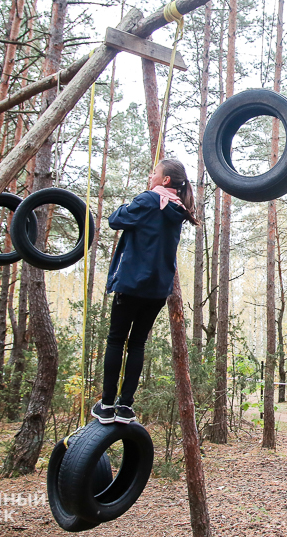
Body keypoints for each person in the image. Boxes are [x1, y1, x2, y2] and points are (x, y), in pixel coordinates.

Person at [91, 159, 199, 424]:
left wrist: (137, 199)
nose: (150, 174)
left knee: (116, 340)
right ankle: (125, 406)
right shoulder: (178, 207)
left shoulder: (149, 200)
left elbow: (115, 220)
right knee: (137, 343)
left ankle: (106, 405)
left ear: (164, 181)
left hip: (131, 283)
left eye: (155, 172)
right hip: (157, 290)